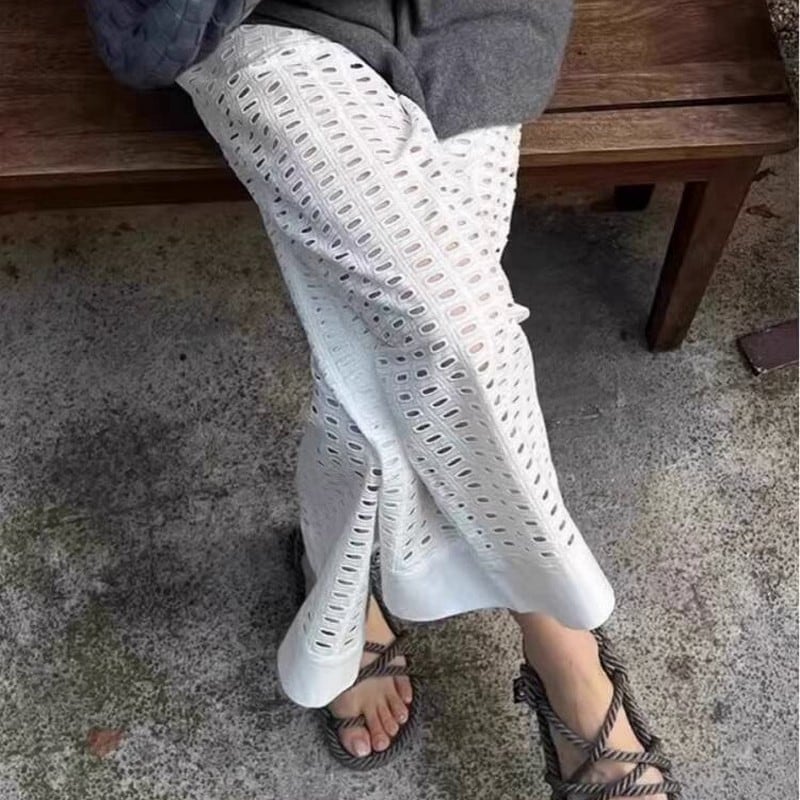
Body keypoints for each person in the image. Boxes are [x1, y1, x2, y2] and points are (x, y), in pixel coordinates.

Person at [87, 2, 681, 796]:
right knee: (461, 334)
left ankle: (335, 588)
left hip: (475, 25)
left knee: (383, 363)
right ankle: (566, 654)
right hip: (275, 26)